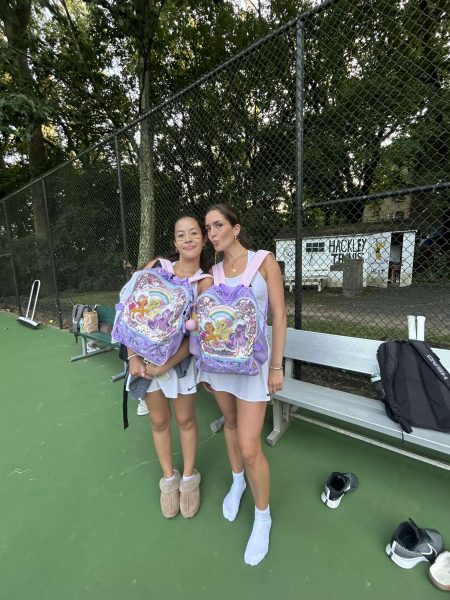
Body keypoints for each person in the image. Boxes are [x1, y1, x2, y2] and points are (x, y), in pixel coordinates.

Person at [197, 204, 286, 566]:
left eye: (218, 225)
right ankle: (237, 483)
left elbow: (279, 316)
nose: (212, 233)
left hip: (255, 370)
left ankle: (262, 517)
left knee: (251, 447)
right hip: (219, 368)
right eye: (207, 228)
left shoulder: (264, 261)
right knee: (230, 425)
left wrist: (277, 366)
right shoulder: (212, 273)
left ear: (236, 228)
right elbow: (205, 321)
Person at [120, 215, 211, 519]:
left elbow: (196, 340)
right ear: (174, 242)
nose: (187, 239)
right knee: (159, 422)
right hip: (143, 364)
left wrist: (164, 365)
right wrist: (133, 357)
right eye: (181, 234)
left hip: (177, 367)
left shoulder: (204, 282)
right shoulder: (156, 268)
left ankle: (188, 478)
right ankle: (168, 480)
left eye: (194, 233)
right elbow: (129, 314)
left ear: (204, 239)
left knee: (185, 420)